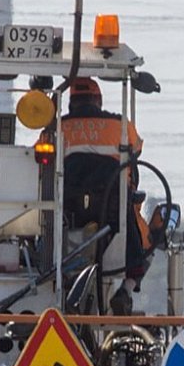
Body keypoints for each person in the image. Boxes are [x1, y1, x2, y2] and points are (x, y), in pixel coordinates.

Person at [57, 77, 150, 316]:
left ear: (70, 103)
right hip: (114, 213)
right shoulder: (120, 126)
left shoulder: (56, 127)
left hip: (67, 215)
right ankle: (125, 290)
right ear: (98, 100)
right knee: (143, 244)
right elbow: (137, 149)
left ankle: (62, 286)